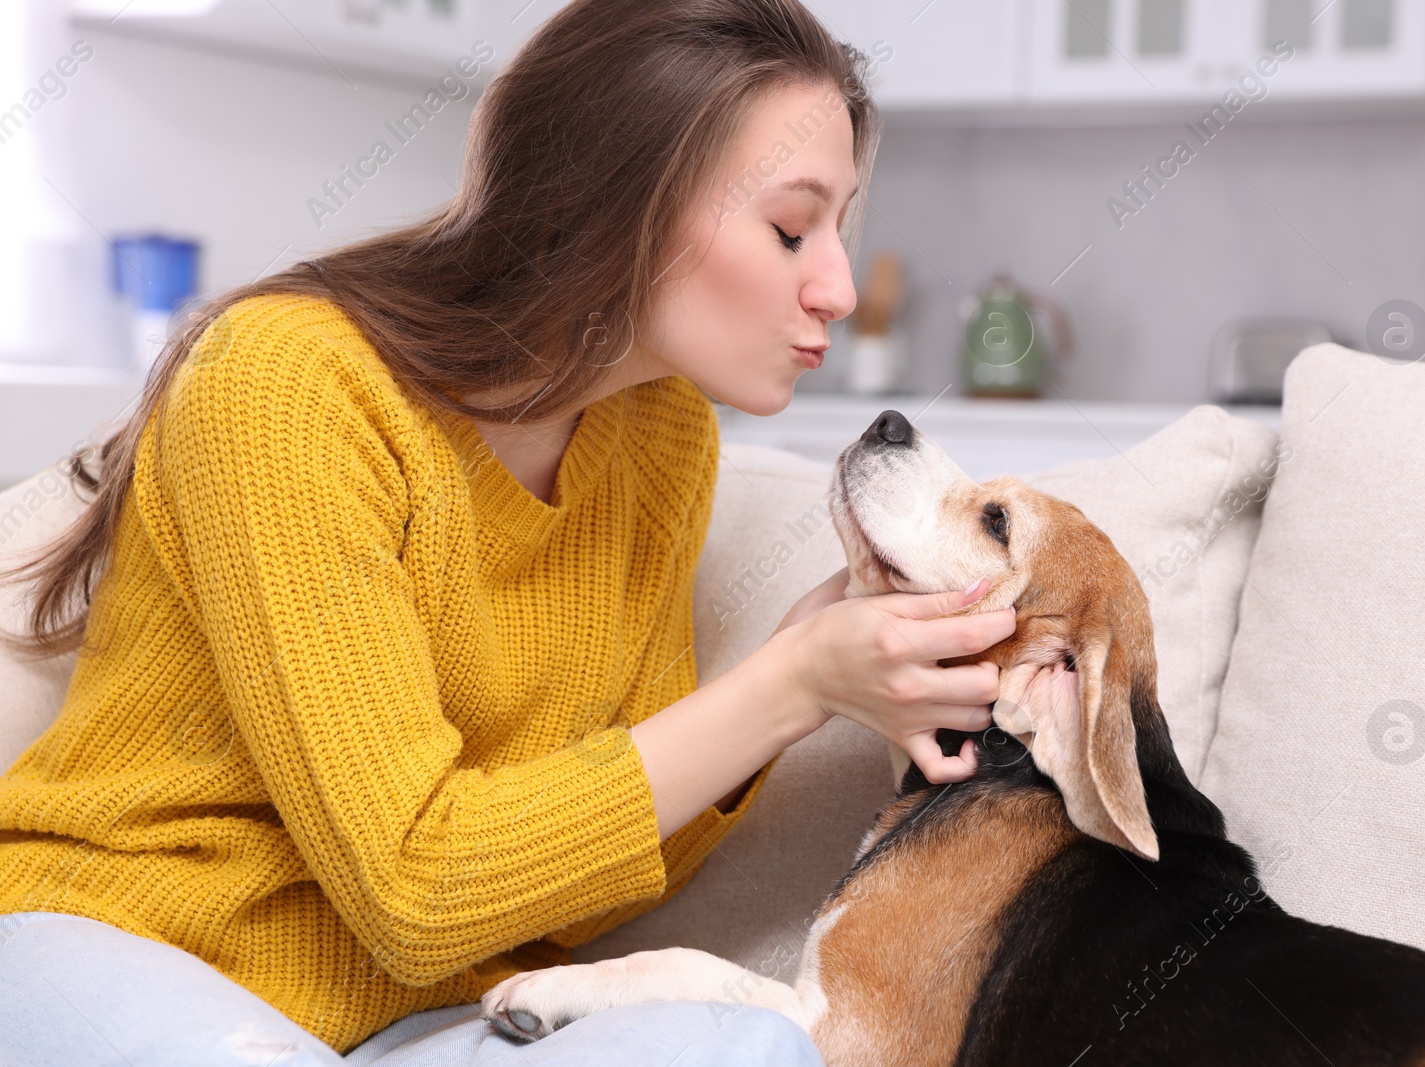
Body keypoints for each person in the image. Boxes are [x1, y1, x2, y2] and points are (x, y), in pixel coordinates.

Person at [0, 1, 1016, 1063]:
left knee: (741, 1046)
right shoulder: (287, 382)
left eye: (840, 231)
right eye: (790, 228)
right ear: (618, 196)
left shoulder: (660, 434)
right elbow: (417, 887)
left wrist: (806, 663)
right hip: (119, 938)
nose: (839, 288)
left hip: (416, 1012)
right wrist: (793, 683)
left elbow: (562, 893)